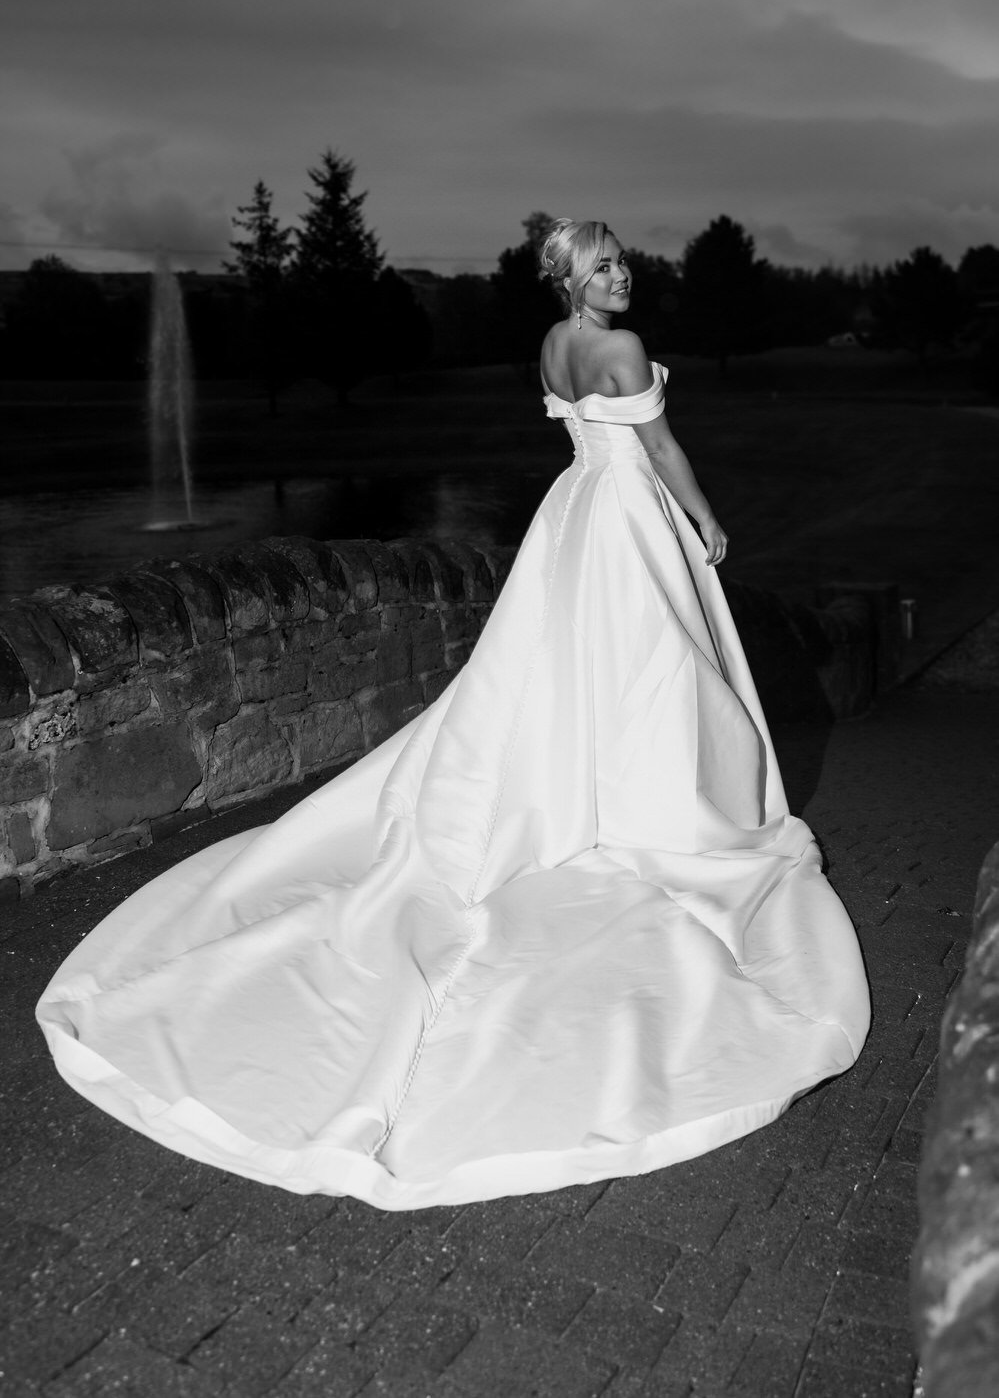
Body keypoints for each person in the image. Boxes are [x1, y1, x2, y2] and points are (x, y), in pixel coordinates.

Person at [37, 217, 870, 1211]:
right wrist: (705, 517)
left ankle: (589, 799)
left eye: (622, 261)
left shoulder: (554, 344)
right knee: (653, 671)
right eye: (603, 264)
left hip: (573, 520)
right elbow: (658, 443)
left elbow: (585, 434)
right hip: (629, 518)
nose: (623, 274)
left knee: (571, 670)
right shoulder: (621, 348)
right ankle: (659, 819)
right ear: (572, 276)